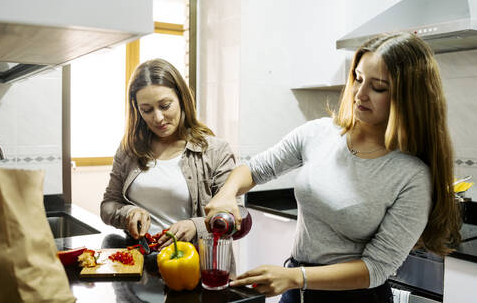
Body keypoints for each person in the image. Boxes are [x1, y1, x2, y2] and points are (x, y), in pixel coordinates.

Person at [204, 32, 461, 303]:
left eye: (379, 87)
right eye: (358, 79)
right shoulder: (319, 134)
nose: (359, 94)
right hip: (296, 291)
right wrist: (226, 193)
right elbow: (255, 170)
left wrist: (295, 277)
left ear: (409, 96)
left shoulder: (412, 176)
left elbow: (376, 268)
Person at [100, 58, 242, 250]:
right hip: (139, 261)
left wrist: (197, 226)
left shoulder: (215, 152)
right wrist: (128, 213)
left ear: (182, 99)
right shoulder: (130, 149)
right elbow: (108, 204)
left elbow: (237, 215)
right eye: (146, 110)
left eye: (165, 106)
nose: (157, 118)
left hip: (196, 266)